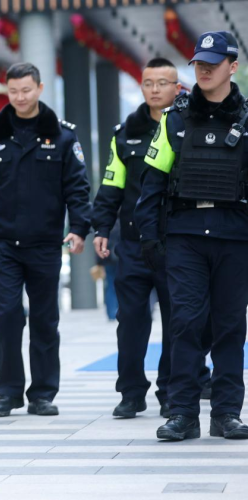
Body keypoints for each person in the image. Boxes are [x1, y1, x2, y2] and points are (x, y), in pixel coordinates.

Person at [135, 31, 248, 441]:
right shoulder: (175, 120)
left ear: (232, 67)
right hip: (184, 236)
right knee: (185, 323)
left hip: (235, 238)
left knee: (231, 327)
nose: (203, 69)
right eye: (199, 62)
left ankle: (227, 414)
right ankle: (182, 413)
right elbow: (151, 184)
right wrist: (149, 238)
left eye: (213, 63)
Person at [0, 62, 92, 417]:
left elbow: (77, 188)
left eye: (26, 90)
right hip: (2, 243)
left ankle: (43, 393)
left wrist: (79, 227)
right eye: (13, 91)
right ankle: (8, 391)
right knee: (4, 315)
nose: (19, 97)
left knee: (45, 319)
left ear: (39, 88)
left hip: (45, 244)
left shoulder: (64, 137)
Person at [92, 58, 182, 419]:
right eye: (148, 83)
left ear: (178, 88)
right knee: (129, 321)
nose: (155, 89)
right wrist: (101, 228)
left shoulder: (187, 126)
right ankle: (131, 392)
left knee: (179, 320)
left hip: (177, 242)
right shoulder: (124, 133)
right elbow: (111, 184)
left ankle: (171, 391)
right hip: (132, 243)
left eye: (163, 82)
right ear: (141, 87)